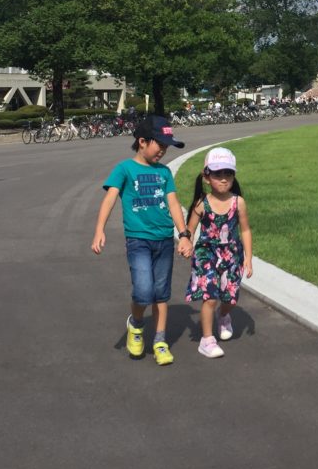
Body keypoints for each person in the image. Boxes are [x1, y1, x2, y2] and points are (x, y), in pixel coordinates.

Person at [91, 115, 192, 366]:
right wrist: (99, 230)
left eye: (167, 146)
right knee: (143, 290)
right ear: (142, 141)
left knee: (161, 293)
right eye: (160, 145)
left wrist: (184, 235)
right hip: (138, 240)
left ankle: (159, 341)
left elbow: (173, 203)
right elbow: (110, 198)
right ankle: (136, 325)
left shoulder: (164, 172)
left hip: (164, 240)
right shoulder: (124, 168)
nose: (163, 151)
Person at [183, 147, 253, 358]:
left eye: (228, 173)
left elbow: (245, 230)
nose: (223, 179)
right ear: (206, 177)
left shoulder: (238, 202)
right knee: (210, 297)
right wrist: (186, 242)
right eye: (217, 174)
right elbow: (190, 229)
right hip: (206, 254)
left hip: (232, 255)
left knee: (230, 298)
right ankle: (207, 340)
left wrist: (248, 258)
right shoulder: (201, 204)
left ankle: (224, 316)